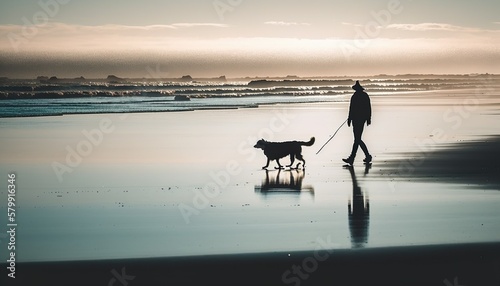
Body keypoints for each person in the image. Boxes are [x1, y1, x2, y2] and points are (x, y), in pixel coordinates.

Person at [343, 81, 372, 165]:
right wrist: (368, 118)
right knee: (357, 139)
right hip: (361, 119)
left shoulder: (355, 96)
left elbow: (351, 109)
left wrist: (349, 119)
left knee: (357, 139)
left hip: (357, 120)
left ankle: (360, 157)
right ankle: (354, 158)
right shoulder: (364, 95)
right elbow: (368, 108)